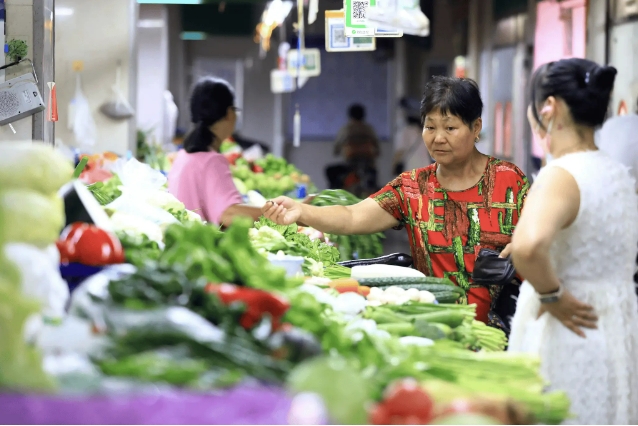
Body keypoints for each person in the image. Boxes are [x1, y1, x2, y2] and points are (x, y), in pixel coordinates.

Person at [264, 76, 530, 326]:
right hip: (439, 325)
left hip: (507, 324)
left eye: (450, 128)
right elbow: (352, 216)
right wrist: (300, 210)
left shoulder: (509, 180)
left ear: (476, 127)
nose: (438, 138)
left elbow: (542, 238)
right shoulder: (412, 187)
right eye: (430, 127)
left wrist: (521, 247)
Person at [507, 58, 638, 424]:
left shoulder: (562, 174)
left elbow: (528, 247)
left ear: (551, 108)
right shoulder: (615, 171)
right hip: (614, 334)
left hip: (568, 333)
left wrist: (551, 294)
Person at [167, 77, 262, 226]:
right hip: (199, 244)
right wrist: (279, 213)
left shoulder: (184, 155)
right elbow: (229, 214)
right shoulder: (211, 160)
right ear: (229, 113)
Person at [392, 97, 432, 175]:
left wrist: (394, 166)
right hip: (426, 167)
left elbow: (400, 152)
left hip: (411, 167)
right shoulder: (425, 130)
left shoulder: (405, 131)